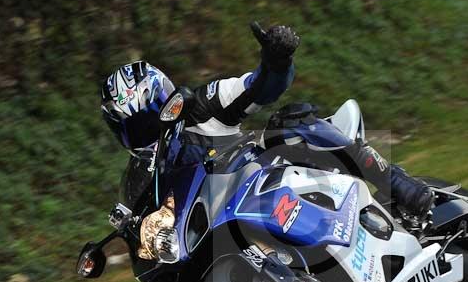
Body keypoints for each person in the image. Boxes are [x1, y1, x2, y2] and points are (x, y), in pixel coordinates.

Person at [100, 22, 435, 220]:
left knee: (290, 121)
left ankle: (396, 183)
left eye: (147, 120)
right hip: (231, 228)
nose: (144, 132)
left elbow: (258, 88)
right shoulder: (141, 180)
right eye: (133, 126)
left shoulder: (203, 106)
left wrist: (276, 60)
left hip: (276, 178)